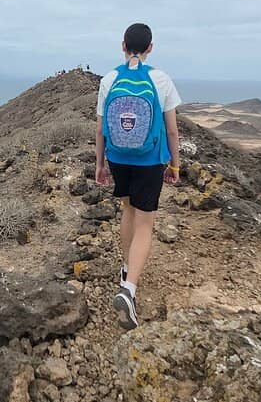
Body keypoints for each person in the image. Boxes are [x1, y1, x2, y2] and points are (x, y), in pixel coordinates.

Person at [94, 23, 182, 330]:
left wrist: (100, 163)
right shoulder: (161, 79)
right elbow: (171, 129)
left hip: (118, 157)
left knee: (128, 209)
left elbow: (101, 126)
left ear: (122, 45)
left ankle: (126, 268)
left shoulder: (109, 79)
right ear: (150, 47)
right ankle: (129, 290)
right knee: (146, 222)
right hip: (148, 160)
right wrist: (175, 165)